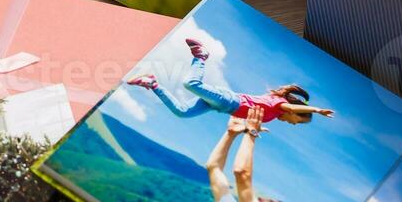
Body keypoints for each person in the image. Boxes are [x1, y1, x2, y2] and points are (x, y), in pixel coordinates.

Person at [125, 37, 335, 130]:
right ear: (296, 112)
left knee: (182, 112)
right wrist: (316, 109)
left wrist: (252, 130)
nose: (294, 124)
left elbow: (249, 117)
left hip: (220, 107)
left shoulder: (272, 117)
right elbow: (288, 106)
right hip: (228, 99)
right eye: (298, 121)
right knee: (190, 83)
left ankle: (152, 83)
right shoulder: (278, 104)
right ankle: (201, 56)